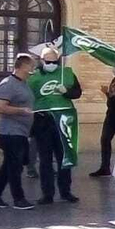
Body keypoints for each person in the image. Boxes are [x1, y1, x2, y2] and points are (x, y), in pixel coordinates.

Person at [28, 47, 82, 204]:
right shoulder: (34, 77)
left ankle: (65, 191)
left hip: (64, 119)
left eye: (54, 61)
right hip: (42, 119)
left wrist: (66, 91)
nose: (51, 63)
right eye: (47, 61)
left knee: (64, 156)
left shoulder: (67, 73)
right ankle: (47, 194)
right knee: (45, 159)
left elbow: (77, 93)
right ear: (41, 60)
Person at [0, 54, 37, 209]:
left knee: (9, 164)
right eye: (31, 66)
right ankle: (18, 199)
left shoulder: (24, 84)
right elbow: (1, 108)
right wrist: (22, 110)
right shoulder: (8, 84)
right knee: (15, 165)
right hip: (10, 132)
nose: (33, 69)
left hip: (21, 131)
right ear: (23, 66)